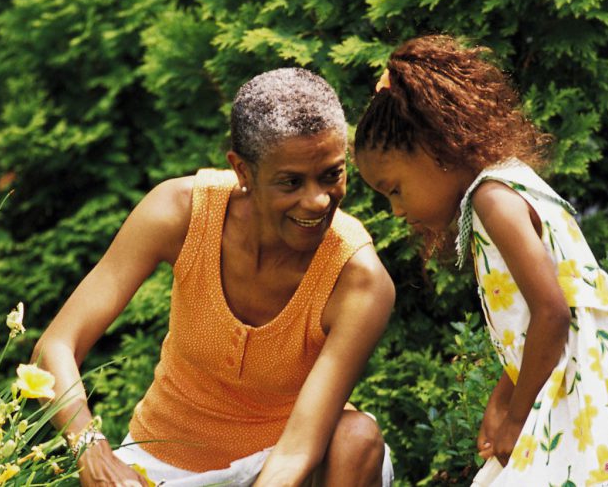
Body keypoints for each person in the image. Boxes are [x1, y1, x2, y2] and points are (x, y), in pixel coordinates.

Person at [353, 35, 608, 486]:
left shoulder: (492, 200)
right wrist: (503, 398)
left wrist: (517, 420)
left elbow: (552, 312)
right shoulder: (503, 187)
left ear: (436, 146)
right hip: (580, 377)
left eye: (394, 189)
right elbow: (546, 322)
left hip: (584, 387)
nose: (396, 211)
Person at [34, 68, 396, 486]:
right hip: (164, 463)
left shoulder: (357, 278)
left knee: (357, 437)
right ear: (242, 171)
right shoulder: (181, 212)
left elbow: (298, 451)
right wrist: (91, 450)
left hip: (284, 467)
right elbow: (55, 345)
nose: (317, 200)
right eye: (290, 182)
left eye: (331, 174)